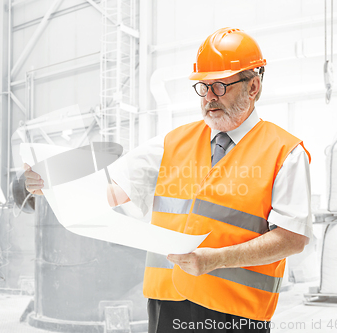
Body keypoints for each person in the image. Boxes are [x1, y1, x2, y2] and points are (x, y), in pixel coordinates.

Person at [25, 27, 312, 333]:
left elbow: (292, 238)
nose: (209, 98)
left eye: (219, 86)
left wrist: (216, 259)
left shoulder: (285, 152)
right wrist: (54, 186)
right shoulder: (172, 142)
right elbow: (112, 191)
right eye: (203, 87)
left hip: (236, 314)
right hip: (166, 304)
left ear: (253, 86)